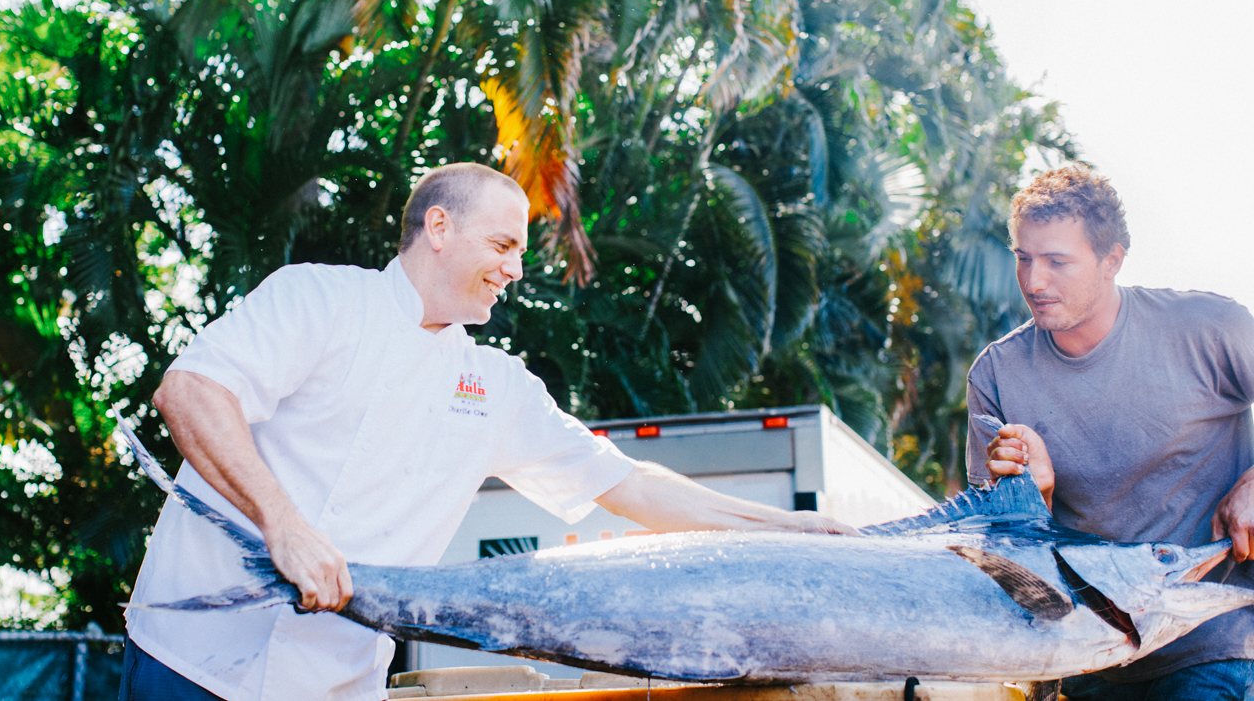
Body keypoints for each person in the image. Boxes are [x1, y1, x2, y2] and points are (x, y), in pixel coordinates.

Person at [120, 162, 853, 701]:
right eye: (503, 244)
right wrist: (284, 524)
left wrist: (785, 528)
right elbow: (189, 391)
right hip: (190, 662)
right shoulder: (318, 298)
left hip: (333, 686)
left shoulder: (495, 386)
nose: (515, 268)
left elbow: (630, 484)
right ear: (439, 226)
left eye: (521, 253)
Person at [966, 164, 1254, 701]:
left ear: (1111, 261)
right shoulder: (995, 374)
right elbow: (1003, 555)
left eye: (1057, 261)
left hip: (1210, 649)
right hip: (1083, 660)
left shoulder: (1211, 329)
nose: (1034, 282)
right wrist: (1038, 495)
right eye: (1023, 258)